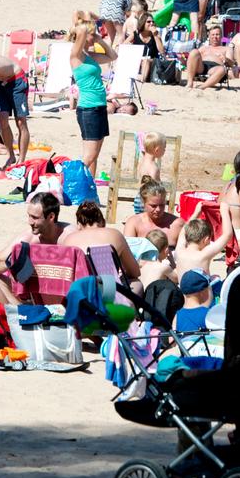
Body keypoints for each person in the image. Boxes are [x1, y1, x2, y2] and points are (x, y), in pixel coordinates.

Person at [70, 17, 115, 172]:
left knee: (94, 156)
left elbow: (113, 56)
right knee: (89, 157)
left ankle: (90, 188)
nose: (94, 36)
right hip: (89, 109)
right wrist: (86, 23)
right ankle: (70, 181)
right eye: (92, 34)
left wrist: (99, 40)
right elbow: (81, 30)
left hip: (99, 107)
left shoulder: (89, 56)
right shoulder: (76, 56)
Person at [62, 201, 141, 282]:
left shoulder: (68, 240)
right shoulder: (115, 234)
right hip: (108, 291)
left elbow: (65, 275)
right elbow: (134, 272)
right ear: (103, 222)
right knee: (136, 282)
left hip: (79, 290)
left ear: (78, 224)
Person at [184, 19, 235, 89]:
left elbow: (231, 64)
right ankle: (190, 82)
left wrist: (225, 59)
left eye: (217, 34)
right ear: (209, 36)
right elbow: (193, 58)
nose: (215, 37)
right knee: (194, 52)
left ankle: (202, 86)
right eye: (213, 35)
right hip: (202, 66)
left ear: (221, 36)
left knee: (222, 69)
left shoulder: (227, 49)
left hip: (216, 68)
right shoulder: (204, 47)